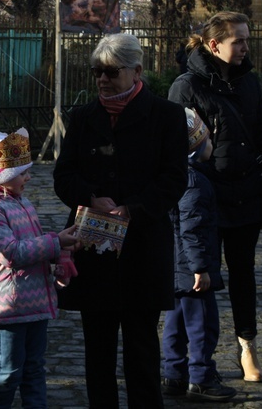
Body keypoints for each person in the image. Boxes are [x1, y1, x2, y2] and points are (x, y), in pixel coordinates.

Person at [53, 33, 189, 408]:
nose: (102, 79)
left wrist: (133, 207)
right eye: (97, 71)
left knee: (142, 350)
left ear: (136, 71)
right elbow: (63, 177)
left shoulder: (167, 115)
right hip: (93, 247)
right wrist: (90, 196)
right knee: (97, 351)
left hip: (143, 247)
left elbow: (175, 177)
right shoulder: (82, 118)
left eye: (111, 71)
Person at [168, 11, 262, 383]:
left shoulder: (250, 83)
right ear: (215, 45)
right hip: (206, 198)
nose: (246, 48)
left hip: (246, 194)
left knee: (244, 275)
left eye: (247, 40)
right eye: (239, 41)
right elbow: (178, 149)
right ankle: (190, 360)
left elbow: (261, 133)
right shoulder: (187, 87)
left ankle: (247, 346)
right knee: (199, 278)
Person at [0, 127, 79, 409]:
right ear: (2, 174)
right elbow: (11, 252)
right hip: (9, 308)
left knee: (34, 369)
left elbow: (32, 244)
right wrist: (55, 242)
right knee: (9, 371)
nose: (28, 177)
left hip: (33, 301)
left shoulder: (19, 201)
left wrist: (59, 252)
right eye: (22, 171)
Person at [161, 109, 236, 402]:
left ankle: (173, 373)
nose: (212, 143)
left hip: (176, 269)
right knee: (202, 324)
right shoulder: (194, 181)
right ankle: (201, 376)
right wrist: (200, 268)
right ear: (195, 145)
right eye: (207, 137)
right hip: (191, 270)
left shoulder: (175, 176)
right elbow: (191, 229)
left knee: (175, 323)